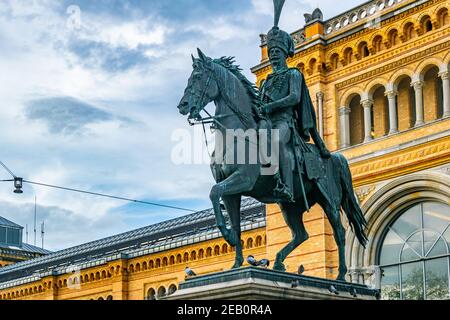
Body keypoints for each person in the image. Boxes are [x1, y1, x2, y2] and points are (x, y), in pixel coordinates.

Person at [260, 26, 331, 203]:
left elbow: (294, 97)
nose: (273, 54)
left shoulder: (293, 74)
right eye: (271, 51)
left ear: (285, 53)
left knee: (276, 142)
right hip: (267, 123)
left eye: (277, 51)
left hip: (284, 122)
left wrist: (271, 107)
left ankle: (287, 187)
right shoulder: (266, 81)